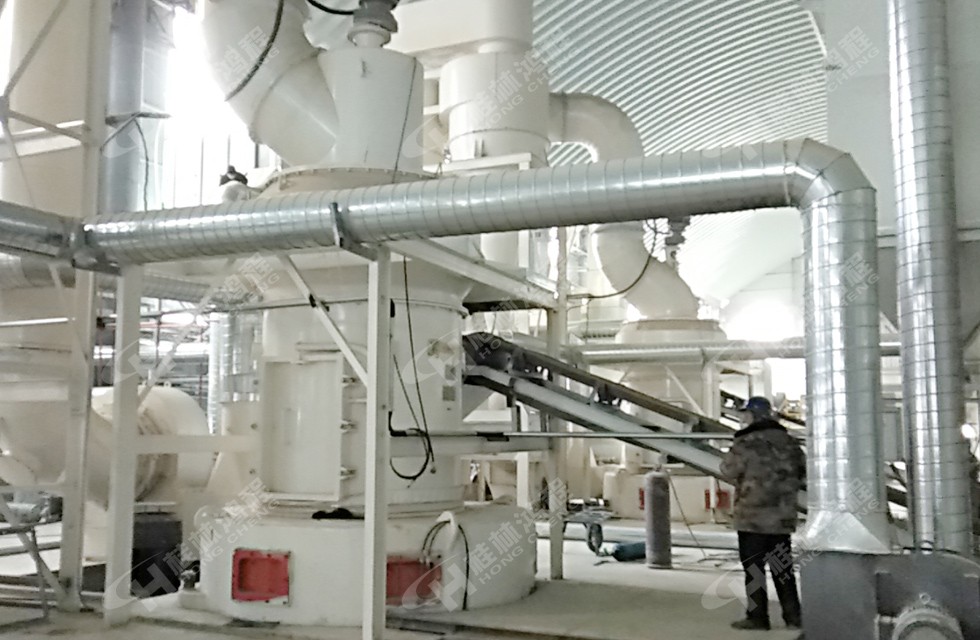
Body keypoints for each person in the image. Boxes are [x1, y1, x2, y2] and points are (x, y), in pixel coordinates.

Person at [720, 396, 806, 631]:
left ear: (753, 416)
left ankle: (758, 617)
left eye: (746, 414)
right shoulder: (790, 443)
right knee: (783, 569)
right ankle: (793, 616)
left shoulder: (745, 443)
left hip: (753, 519)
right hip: (781, 518)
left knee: (754, 569)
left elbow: (728, 471)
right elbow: (802, 473)